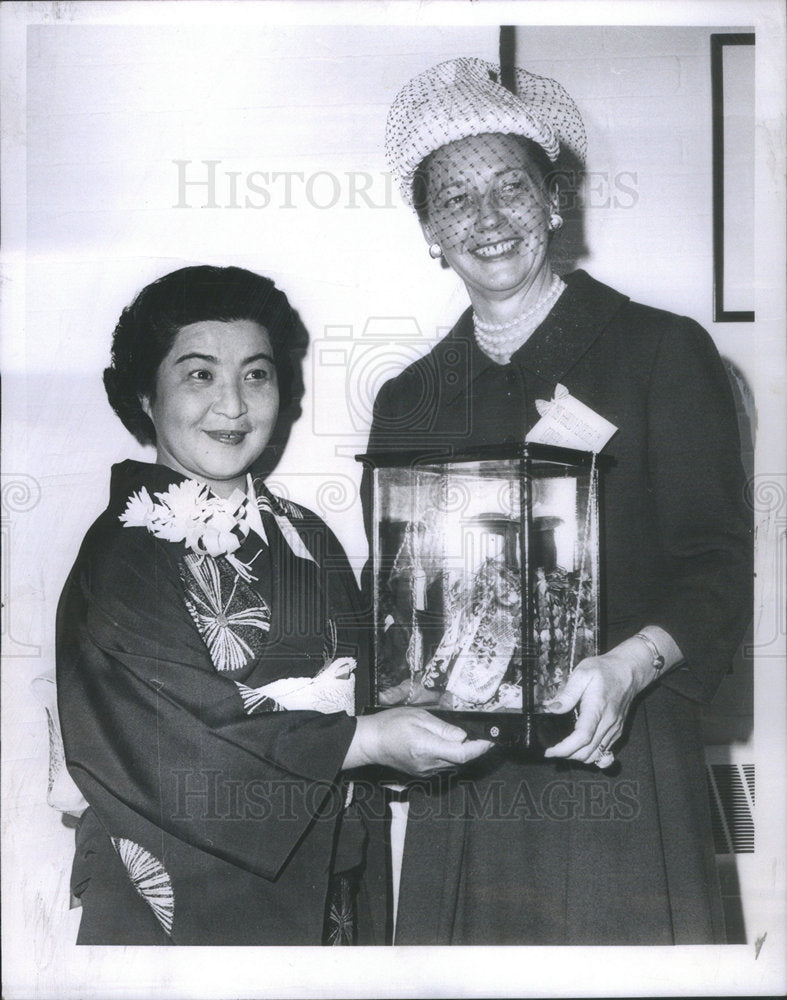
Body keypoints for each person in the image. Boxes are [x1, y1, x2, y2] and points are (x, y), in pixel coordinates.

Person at [363, 58, 753, 944]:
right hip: (462, 775)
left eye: (510, 186)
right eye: (456, 199)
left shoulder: (659, 351)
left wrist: (629, 666)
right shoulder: (409, 399)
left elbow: (717, 568)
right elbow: (394, 602)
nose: (487, 217)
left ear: (553, 200)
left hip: (618, 758)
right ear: (428, 228)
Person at [56, 264, 491, 946]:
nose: (233, 406)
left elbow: (371, 686)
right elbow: (167, 740)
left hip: (330, 884)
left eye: (256, 374)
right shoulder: (123, 551)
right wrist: (365, 740)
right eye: (199, 375)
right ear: (144, 394)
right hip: (189, 891)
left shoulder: (302, 532)